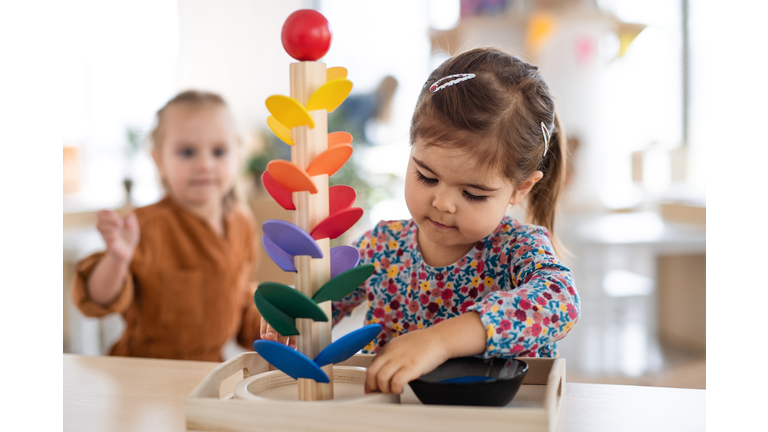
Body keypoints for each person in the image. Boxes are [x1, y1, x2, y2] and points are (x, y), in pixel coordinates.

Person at [261, 47, 581, 394]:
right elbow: (323, 304)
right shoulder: (380, 246)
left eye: (473, 194)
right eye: (426, 176)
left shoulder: (518, 249)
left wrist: (440, 341)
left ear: (520, 188)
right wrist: (296, 312)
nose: (442, 203)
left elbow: (560, 302)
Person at [71, 90, 263, 361]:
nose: (205, 164)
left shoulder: (242, 222)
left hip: (207, 370)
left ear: (238, 157)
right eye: (187, 152)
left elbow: (240, 297)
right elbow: (97, 299)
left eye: (219, 151)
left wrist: (272, 329)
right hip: (145, 371)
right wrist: (116, 259)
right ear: (158, 160)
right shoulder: (145, 226)